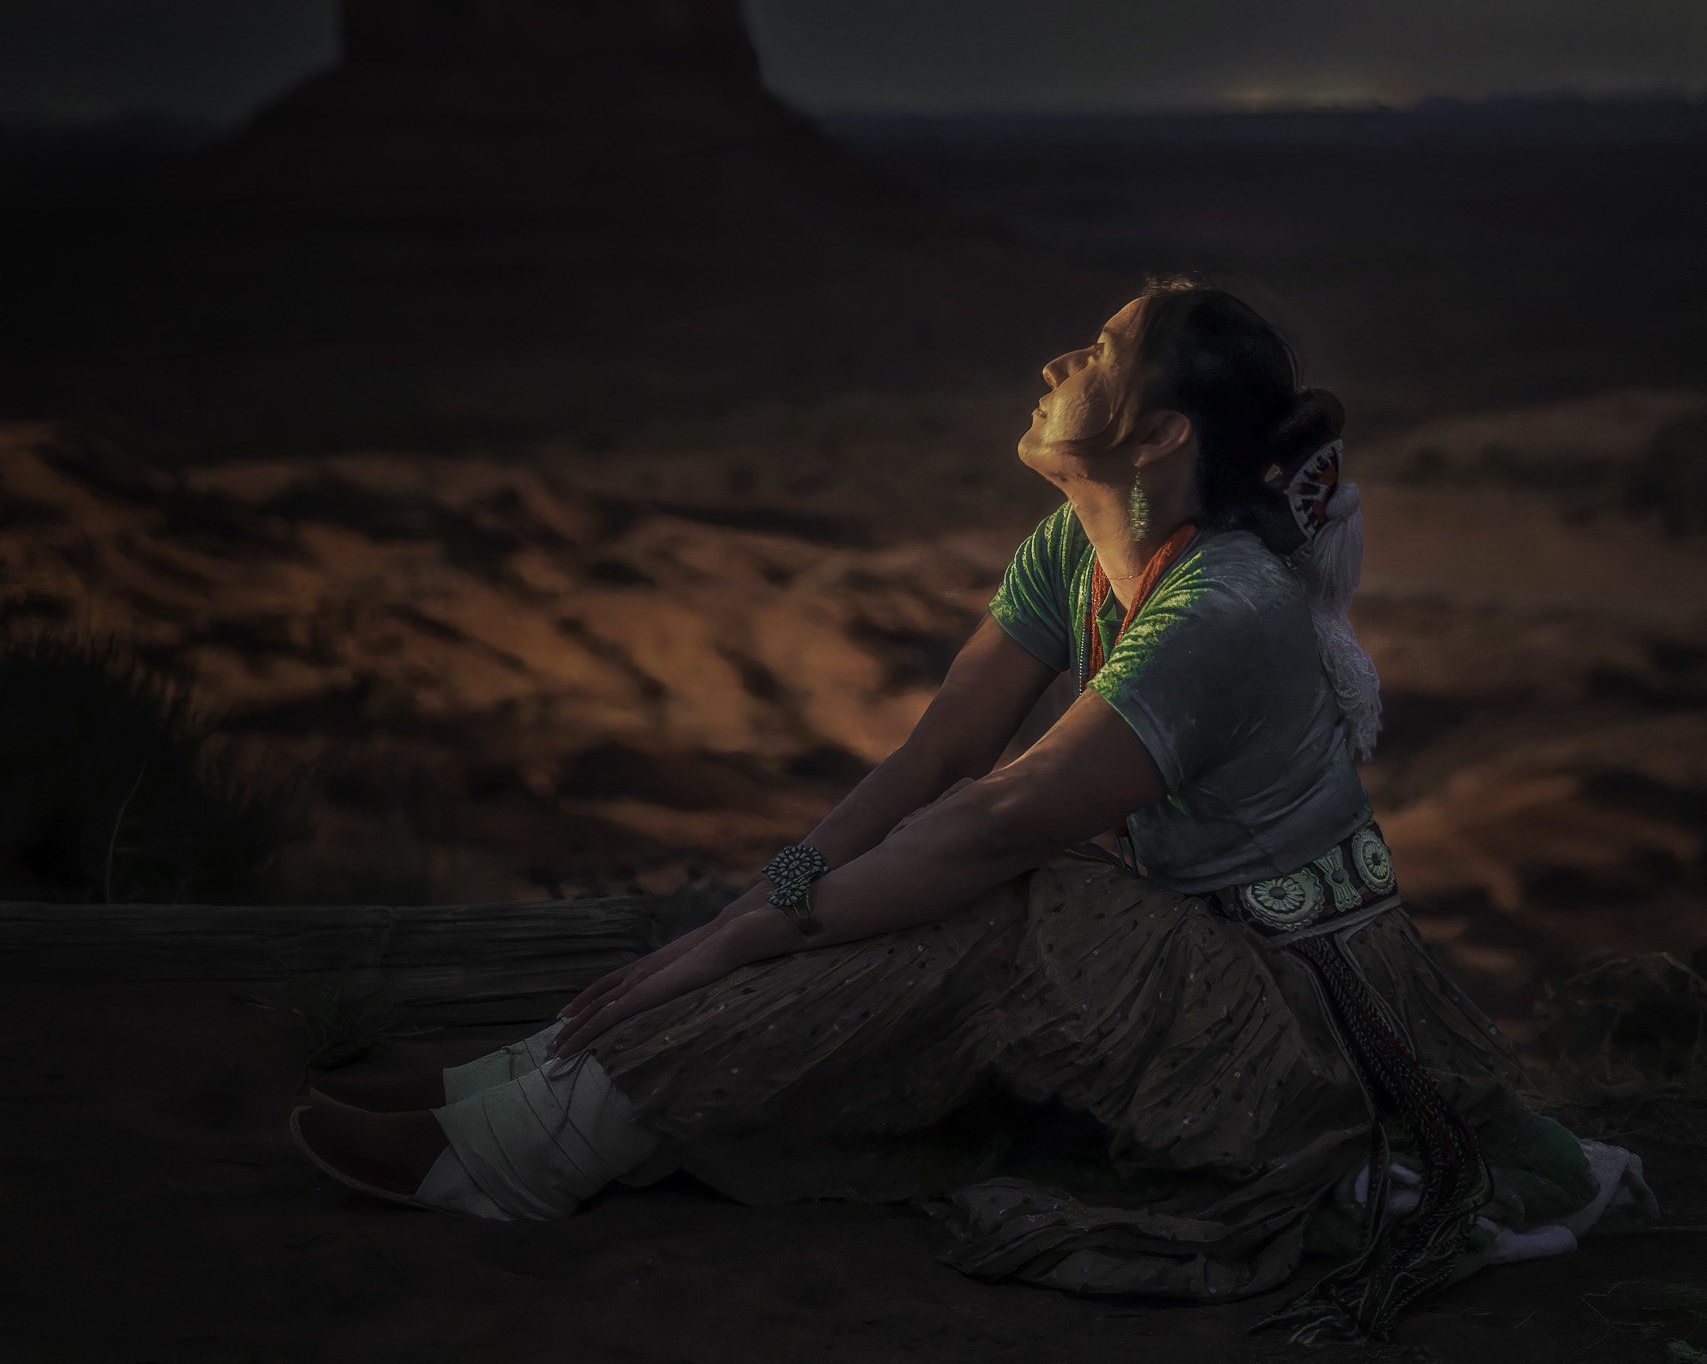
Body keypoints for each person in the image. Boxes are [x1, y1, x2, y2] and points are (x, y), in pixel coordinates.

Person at [290, 275, 1649, 1339]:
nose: (1065, 360)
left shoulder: (1221, 606)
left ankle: (539, 1140)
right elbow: (940, 754)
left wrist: (729, 940)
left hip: (1315, 1044)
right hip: (1192, 980)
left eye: (1103, 352)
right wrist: (767, 898)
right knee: (902, 899)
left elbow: (1001, 821)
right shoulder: (1073, 546)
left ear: (1163, 432)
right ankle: (532, 1087)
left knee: (1009, 899)